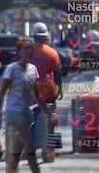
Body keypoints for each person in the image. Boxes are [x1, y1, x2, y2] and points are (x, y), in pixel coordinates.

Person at [0, 38, 40, 173]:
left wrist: (47, 112)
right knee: (31, 147)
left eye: (31, 48)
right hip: (14, 112)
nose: (29, 51)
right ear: (19, 51)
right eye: (26, 48)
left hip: (28, 113)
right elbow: (1, 93)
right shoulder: (12, 68)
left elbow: (37, 95)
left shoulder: (33, 69)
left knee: (16, 153)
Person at [29, 22, 62, 162]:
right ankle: (50, 151)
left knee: (32, 121)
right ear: (45, 37)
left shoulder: (27, 50)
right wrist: (60, 88)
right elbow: (58, 73)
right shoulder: (52, 52)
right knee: (50, 120)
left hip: (31, 92)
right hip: (48, 92)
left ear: (34, 36)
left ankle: (30, 149)